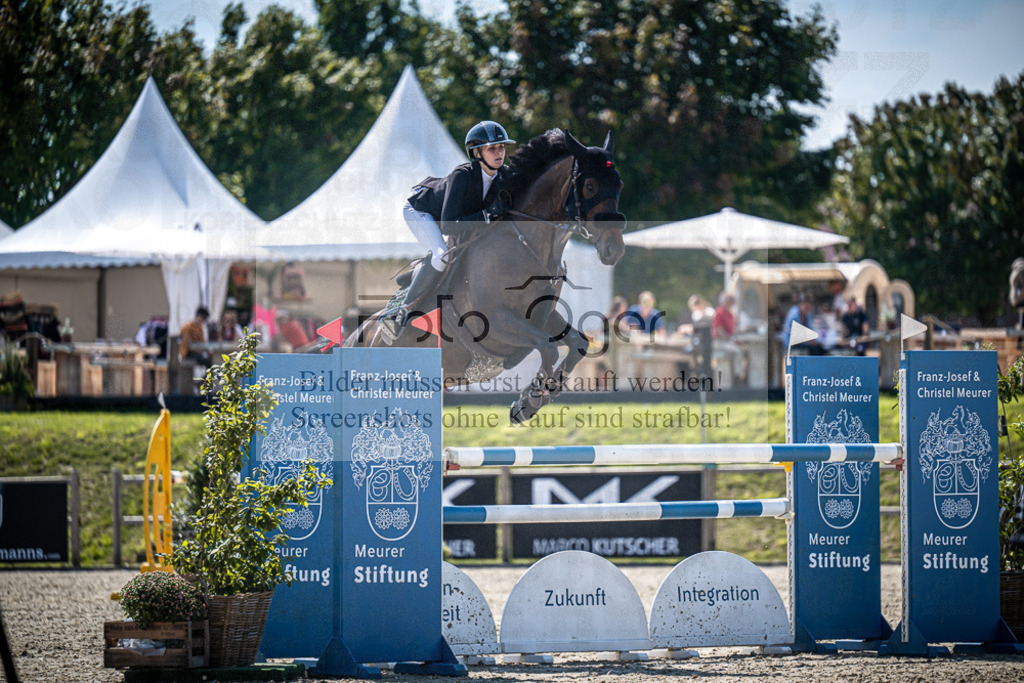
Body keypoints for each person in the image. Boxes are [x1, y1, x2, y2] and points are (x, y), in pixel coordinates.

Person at [380, 120, 517, 341]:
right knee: (441, 255)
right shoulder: (461, 176)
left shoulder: (505, 176)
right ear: (477, 152)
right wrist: (486, 216)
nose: (499, 152)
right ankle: (400, 312)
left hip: (455, 219)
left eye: (502, 147)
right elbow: (448, 225)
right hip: (421, 212)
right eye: (492, 148)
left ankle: (420, 273)